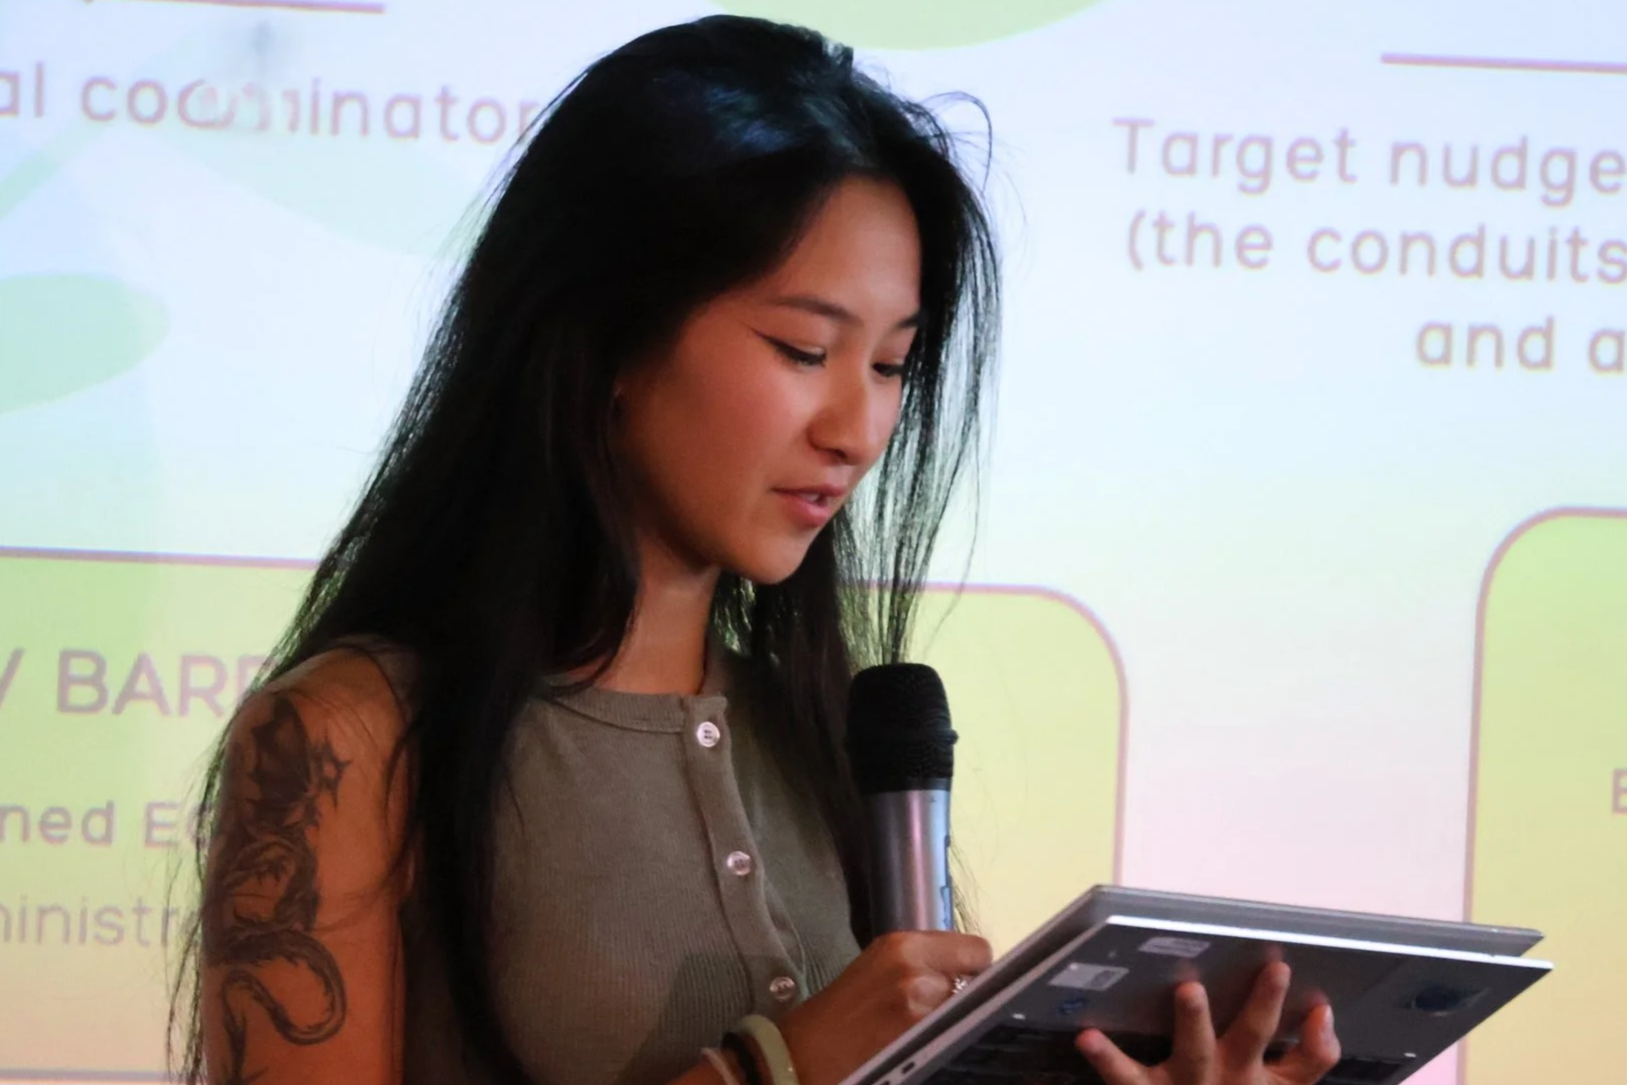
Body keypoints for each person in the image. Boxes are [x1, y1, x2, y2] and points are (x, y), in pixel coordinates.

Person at [170, 14, 1340, 1085]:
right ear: (607, 331)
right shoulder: (342, 737)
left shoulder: (825, 735)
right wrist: (772, 1067)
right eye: (802, 349)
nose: (857, 428)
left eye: (890, 365)